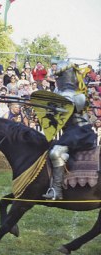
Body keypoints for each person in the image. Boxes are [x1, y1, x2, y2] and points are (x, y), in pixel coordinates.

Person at [43, 63, 97, 200]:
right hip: (71, 132)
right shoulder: (60, 93)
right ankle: (64, 161)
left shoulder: (77, 95)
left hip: (80, 132)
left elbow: (67, 109)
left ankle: (57, 190)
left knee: (56, 153)